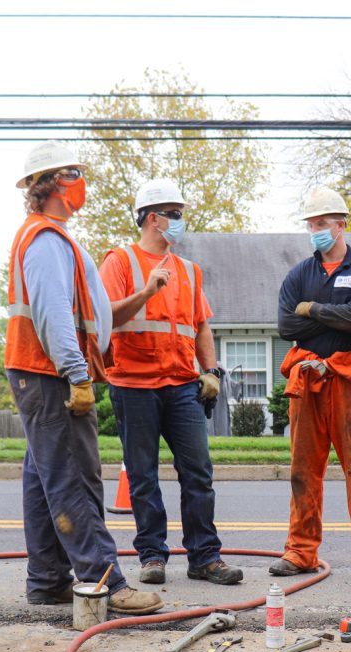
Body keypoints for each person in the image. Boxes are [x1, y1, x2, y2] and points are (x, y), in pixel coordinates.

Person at [4, 141, 162, 616]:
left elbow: (81, 311)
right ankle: (104, 581)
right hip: (51, 374)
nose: (82, 182)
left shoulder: (47, 237)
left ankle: (47, 579)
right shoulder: (47, 241)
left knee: (44, 477)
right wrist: (77, 374)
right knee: (73, 476)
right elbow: (54, 313)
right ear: (54, 184)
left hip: (37, 372)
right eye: (75, 173)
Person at [99, 178, 243, 587]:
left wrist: (211, 371)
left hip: (182, 385)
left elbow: (201, 327)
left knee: (198, 472)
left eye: (181, 214)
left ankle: (205, 557)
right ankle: (151, 556)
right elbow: (105, 317)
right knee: (143, 475)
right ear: (151, 217)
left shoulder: (189, 271)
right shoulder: (120, 262)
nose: (180, 222)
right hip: (133, 384)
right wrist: (145, 292)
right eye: (173, 214)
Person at [271, 186, 351, 586]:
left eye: (322, 223)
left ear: (342, 225)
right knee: (304, 469)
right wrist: (340, 315)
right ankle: (300, 552)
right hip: (308, 381)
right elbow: (287, 325)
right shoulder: (300, 274)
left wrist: (315, 310)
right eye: (312, 224)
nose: (316, 230)